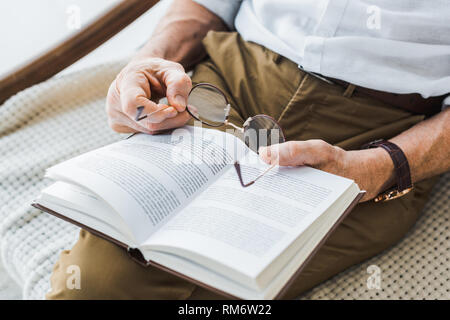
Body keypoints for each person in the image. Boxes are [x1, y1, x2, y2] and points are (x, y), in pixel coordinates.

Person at [47, 0, 450, 299]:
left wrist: (379, 166)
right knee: (92, 285)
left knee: (238, 287)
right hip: (227, 79)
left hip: (378, 132)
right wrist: (152, 62)